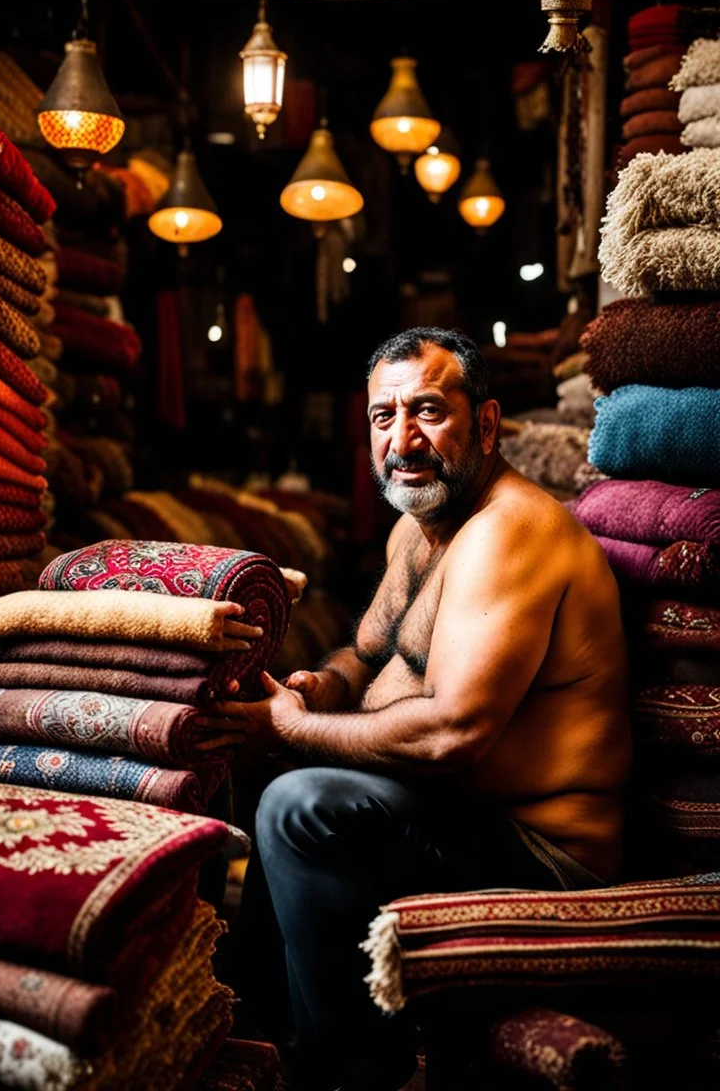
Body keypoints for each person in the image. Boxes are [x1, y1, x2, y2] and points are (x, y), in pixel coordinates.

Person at [200, 327, 630, 1091]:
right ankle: (258, 1038)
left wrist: (297, 729)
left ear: (487, 424)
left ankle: (356, 1076)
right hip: (451, 816)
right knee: (270, 772)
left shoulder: (512, 531)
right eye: (382, 416)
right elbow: (363, 657)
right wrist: (316, 691)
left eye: (427, 411)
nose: (402, 439)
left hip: (543, 856)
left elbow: (454, 733)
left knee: (303, 802)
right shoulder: (417, 530)